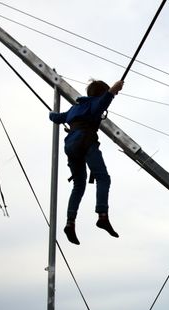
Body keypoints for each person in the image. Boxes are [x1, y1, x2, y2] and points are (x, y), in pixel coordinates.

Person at [49, 79, 124, 245]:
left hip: (70, 146)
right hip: (85, 141)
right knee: (103, 178)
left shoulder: (74, 108)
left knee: (79, 185)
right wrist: (112, 91)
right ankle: (102, 216)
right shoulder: (95, 103)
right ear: (100, 94)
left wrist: (51, 114)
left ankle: (70, 222)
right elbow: (103, 102)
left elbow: (57, 117)